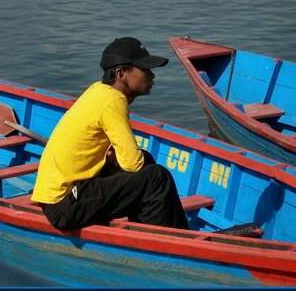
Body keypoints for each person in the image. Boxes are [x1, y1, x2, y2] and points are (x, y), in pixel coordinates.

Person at [31, 37, 189, 231]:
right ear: (121, 74)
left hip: (62, 195)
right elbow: (132, 163)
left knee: (146, 162)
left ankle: (149, 232)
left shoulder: (98, 90)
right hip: (64, 204)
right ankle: (172, 243)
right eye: (145, 70)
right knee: (157, 177)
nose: (152, 76)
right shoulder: (113, 101)